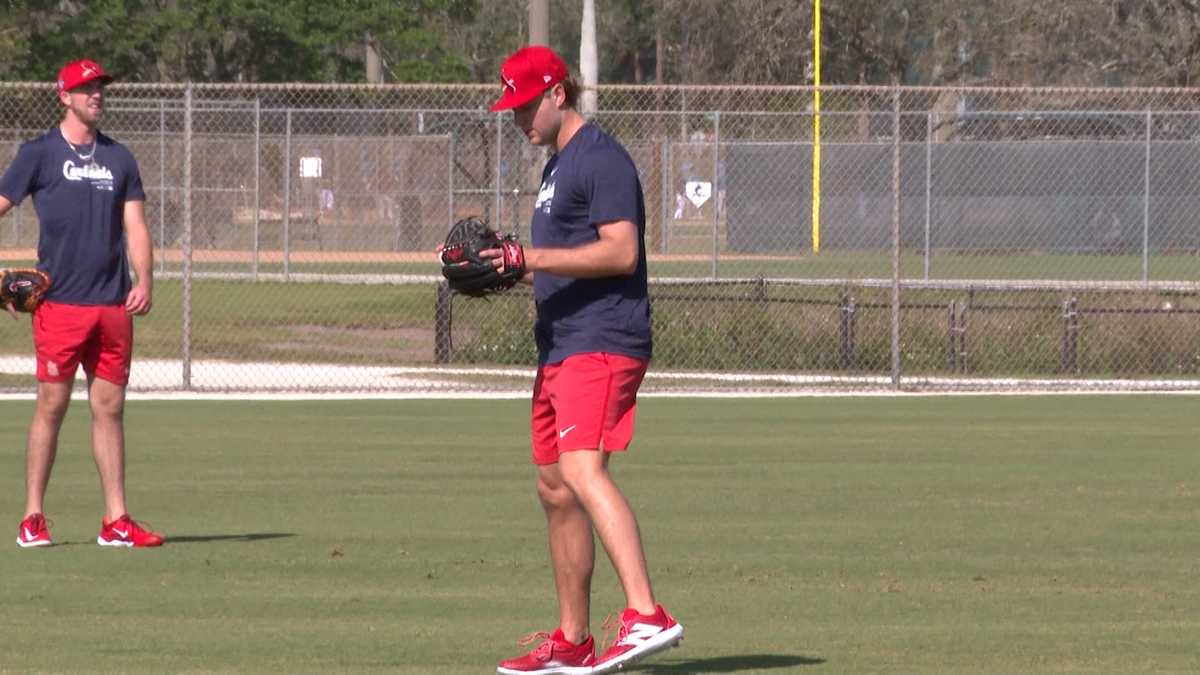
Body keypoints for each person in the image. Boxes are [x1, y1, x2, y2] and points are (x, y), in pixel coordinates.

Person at [486, 46, 682, 675]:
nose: (518, 119)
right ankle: (572, 641)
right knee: (554, 486)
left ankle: (646, 613)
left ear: (558, 93)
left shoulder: (600, 158)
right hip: (560, 345)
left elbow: (620, 252)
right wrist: (500, 266)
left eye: (524, 105)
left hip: (602, 341)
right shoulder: (555, 169)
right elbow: (556, 258)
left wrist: (531, 259)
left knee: (582, 470)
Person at [0, 59, 161, 548]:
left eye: (100, 88)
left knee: (109, 408)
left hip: (112, 305)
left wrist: (146, 277)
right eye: (86, 89)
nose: (96, 95)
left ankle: (116, 520)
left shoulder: (120, 159)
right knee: (52, 404)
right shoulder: (39, 154)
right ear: (63, 96)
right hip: (60, 304)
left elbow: (135, 225)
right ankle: (33, 518)